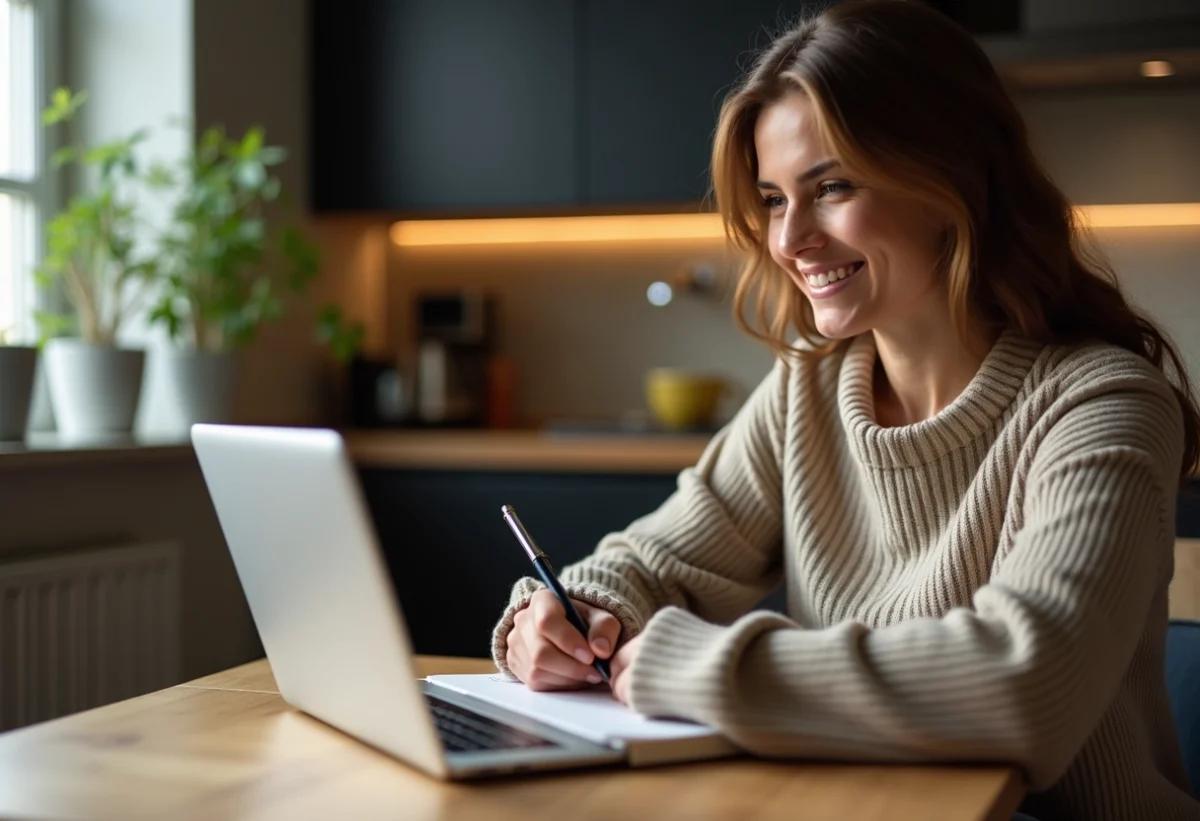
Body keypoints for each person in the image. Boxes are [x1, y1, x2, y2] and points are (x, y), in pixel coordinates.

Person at [490, 1, 1200, 818]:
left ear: (953, 178)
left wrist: (695, 665)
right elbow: (657, 561)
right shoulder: (811, 387)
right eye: (772, 199)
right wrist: (567, 613)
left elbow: (1023, 685)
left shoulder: (1103, 403)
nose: (789, 240)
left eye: (830, 187)